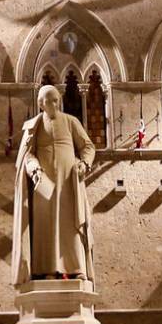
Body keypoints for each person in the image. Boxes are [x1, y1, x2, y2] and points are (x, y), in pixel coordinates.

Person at [12, 84, 97, 282]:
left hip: (69, 183)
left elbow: (88, 146)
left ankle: (77, 269)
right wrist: (34, 169)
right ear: (41, 103)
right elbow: (27, 154)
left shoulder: (71, 121)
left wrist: (85, 163)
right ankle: (46, 270)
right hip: (44, 185)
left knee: (71, 223)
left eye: (57, 99)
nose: (55, 103)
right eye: (50, 100)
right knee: (45, 226)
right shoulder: (34, 126)